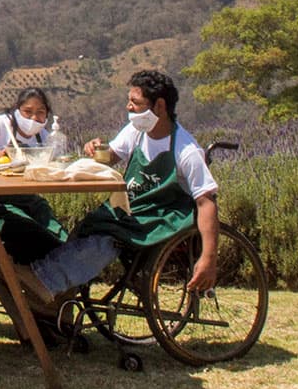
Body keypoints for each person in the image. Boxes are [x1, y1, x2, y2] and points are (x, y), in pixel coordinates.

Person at [16, 70, 219, 308]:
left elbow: (207, 201)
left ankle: (43, 279)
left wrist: (208, 258)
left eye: (135, 102)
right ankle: (58, 301)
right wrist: (97, 149)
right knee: (88, 226)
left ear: (160, 106)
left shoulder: (186, 150)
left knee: (108, 238)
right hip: (133, 208)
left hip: (161, 217)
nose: (129, 107)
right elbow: (112, 156)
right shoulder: (137, 132)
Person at [0, 88, 69, 265]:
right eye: (28, 112)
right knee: (30, 232)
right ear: (17, 109)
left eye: (40, 113)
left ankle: (67, 258)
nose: (33, 118)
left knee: (55, 228)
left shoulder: (43, 137)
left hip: (28, 198)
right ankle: (38, 276)